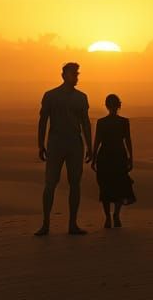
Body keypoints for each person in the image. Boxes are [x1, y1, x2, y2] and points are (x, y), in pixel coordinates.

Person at [36, 62, 92, 236]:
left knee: (75, 184)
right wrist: (40, 144)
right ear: (64, 75)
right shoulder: (50, 96)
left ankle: (72, 224)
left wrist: (90, 145)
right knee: (50, 183)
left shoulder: (81, 98)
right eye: (73, 73)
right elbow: (43, 121)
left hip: (74, 143)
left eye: (77, 73)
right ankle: (45, 224)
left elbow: (86, 123)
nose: (76, 77)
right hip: (56, 143)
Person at [91, 93, 135, 228]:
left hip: (105, 157)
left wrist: (93, 158)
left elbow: (97, 141)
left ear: (106, 106)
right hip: (118, 156)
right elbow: (128, 141)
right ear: (118, 105)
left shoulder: (102, 122)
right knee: (119, 186)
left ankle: (108, 218)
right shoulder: (123, 122)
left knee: (106, 188)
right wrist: (131, 158)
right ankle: (115, 215)